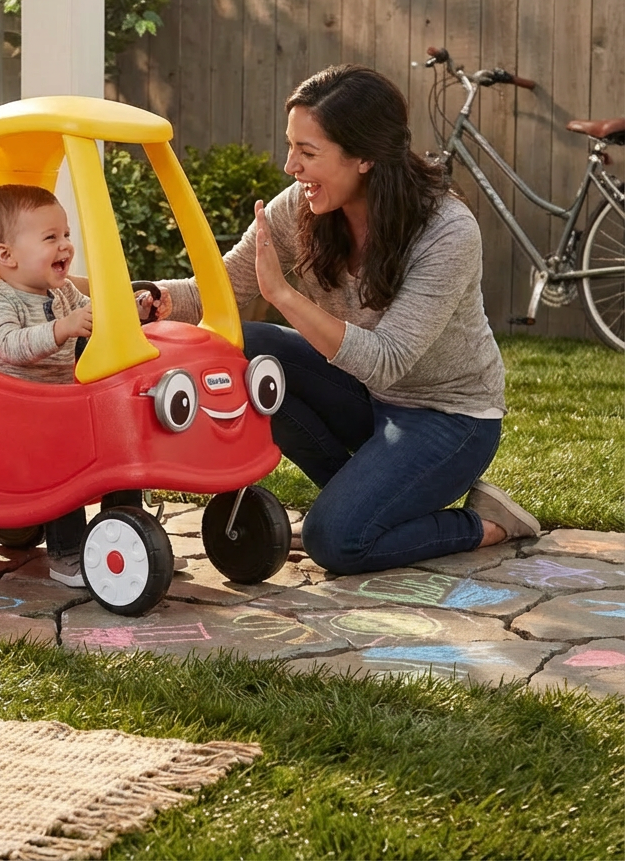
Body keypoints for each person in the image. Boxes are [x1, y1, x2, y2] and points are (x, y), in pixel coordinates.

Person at [155, 64, 540, 575]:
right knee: (242, 346)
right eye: (291, 146)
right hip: (364, 394)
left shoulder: (446, 231)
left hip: (448, 417)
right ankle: (366, 501)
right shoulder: (304, 204)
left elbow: (387, 362)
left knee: (336, 543)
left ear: (364, 157)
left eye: (308, 152)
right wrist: (149, 298)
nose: (290, 165)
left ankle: (485, 523)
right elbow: (224, 287)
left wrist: (284, 295)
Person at [0, 183, 168, 587]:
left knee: (119, 446)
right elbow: (11, 346)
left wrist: (133, 310)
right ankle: (67, 553)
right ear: (6, 256)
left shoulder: (61, 292)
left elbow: (95, 315)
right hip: (12, 416)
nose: (65, 246)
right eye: (50, 237)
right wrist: (61, 330)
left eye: (66, 235)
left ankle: (132, 537)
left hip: (58, 406)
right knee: (64, 459)